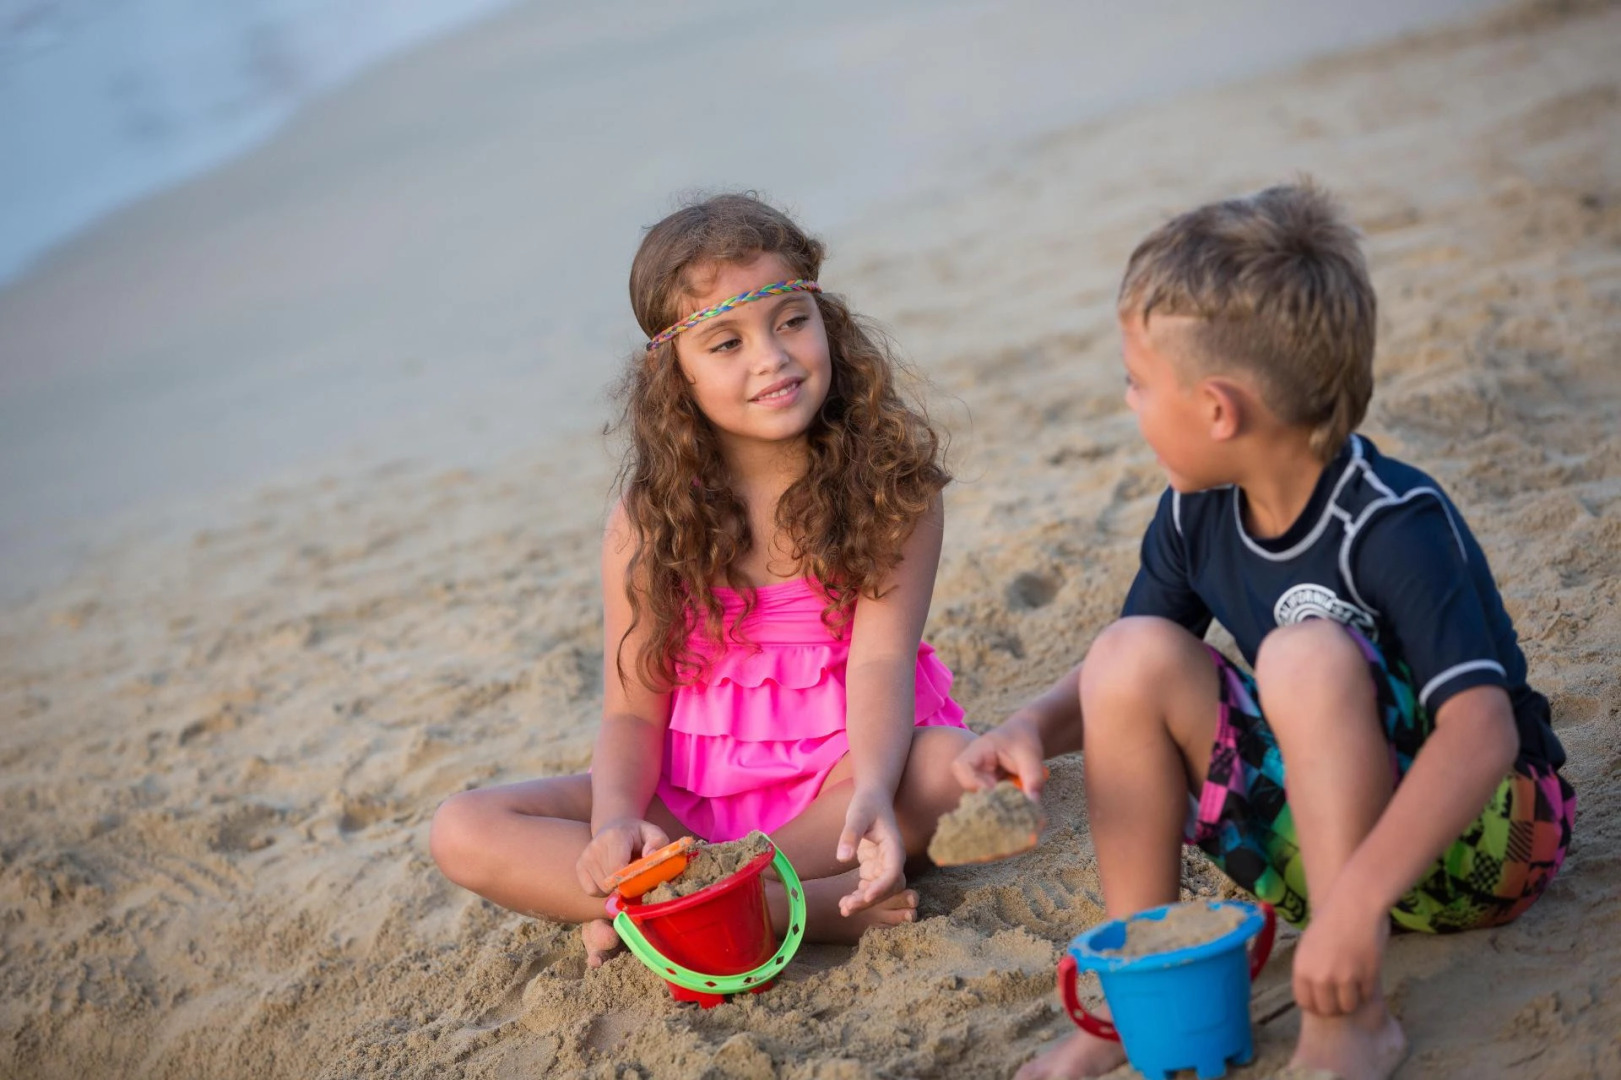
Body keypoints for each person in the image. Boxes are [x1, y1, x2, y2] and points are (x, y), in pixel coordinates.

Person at [955, 181, 1575, 1080]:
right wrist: (1028, 727)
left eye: (1136, 382)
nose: (1127, 402)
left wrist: (1355, 903)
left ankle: (1350, 1020)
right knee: (1125, 655)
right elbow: (1117, 687)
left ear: (1217, 409)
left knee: (1303, 654)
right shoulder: (1193, 513)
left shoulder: (1390, 521)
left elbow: (1480, 734)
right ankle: (1141, 999)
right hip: (1325, 855)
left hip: (1485, 843)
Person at [431, 193, 973, 966]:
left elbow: (880, 663)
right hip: (685, 800)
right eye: (725, 342)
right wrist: (617, 823)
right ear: (676, 377)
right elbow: (630, 712)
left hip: (838, 778)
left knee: (949, 768)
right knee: (463, 828)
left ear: (827, 321)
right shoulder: (649, 520)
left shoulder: (891, 486)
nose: (771, 357)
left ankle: (670, 909)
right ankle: (784, 908)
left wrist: (873, 791)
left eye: (791, 320)